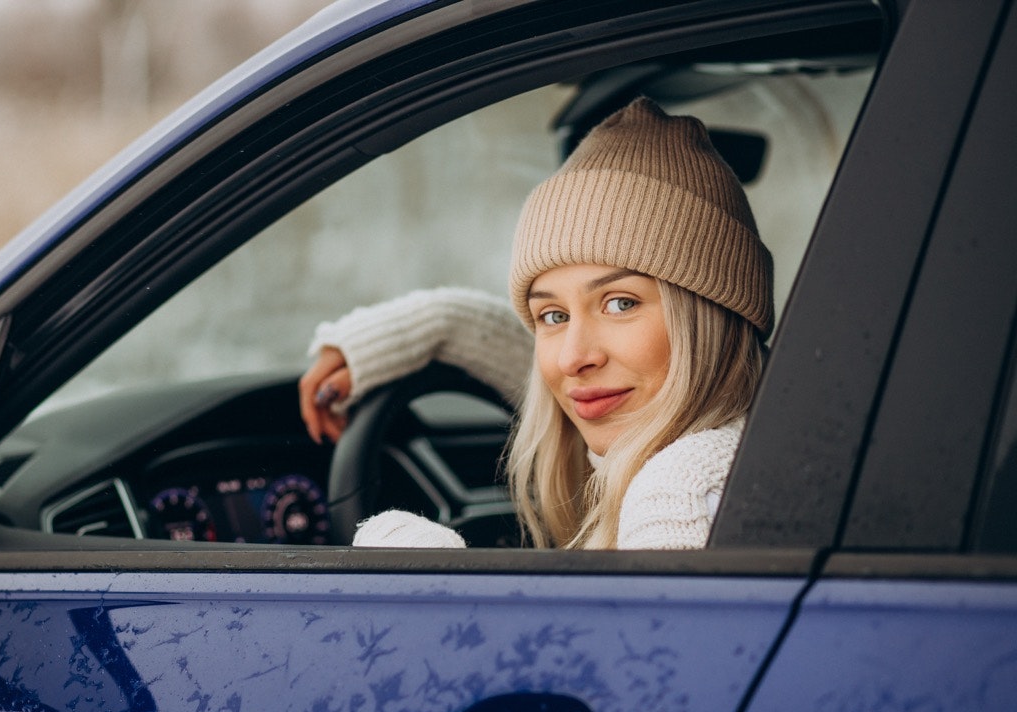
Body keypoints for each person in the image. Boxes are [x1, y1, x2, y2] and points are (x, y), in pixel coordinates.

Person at [299, 96, 771, 550]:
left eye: (620, 304)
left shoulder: (683, 487)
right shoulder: (759, 440)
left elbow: (640, 637)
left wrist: (437, 587)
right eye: (553, 315)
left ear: (711, 314)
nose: (573, 358)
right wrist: (430, 327)